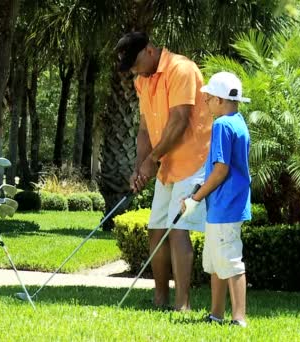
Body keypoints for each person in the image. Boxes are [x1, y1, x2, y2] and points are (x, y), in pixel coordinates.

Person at [115, 32, 212, 311]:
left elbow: (180, 120)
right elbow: (145, 129)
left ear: (148, 50)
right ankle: (160, 300)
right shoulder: (142, 81)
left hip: (192, 161)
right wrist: (139, 167)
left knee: (178, 230)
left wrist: (152, 161)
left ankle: (183, 304)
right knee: (156, 229)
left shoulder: (181, 69)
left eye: (134, 64)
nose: (133, 71)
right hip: (165, 165)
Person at [180, 71, 252, 327]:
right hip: (225, 206)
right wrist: (201, 187)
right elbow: (222, 167)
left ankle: (238, 319)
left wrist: (195, 198)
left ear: (221, 100)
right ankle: (216, 315)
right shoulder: (239, 122)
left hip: (225, 207)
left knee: (230, 262)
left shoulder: (222, 124)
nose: (207, 101)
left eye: (209, 98)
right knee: (215, 263)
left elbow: (221, 169)